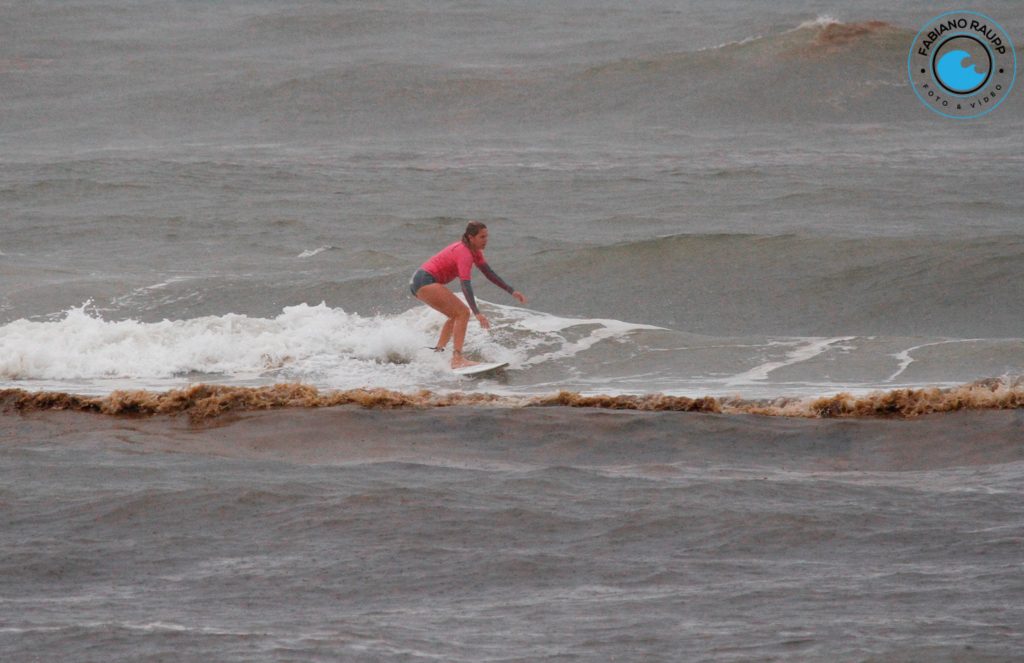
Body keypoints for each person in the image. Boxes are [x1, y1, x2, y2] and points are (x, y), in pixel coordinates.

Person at [409, 221, 527, 369]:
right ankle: (457, 359)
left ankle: (438, 352)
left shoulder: (475, 252)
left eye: (486, 236)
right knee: (463, 313)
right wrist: (477, 313)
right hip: (424, 281)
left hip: (419, 281)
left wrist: (511, 291)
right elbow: (465, 285)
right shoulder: (464, 253)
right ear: (471, 237)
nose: (486, 240)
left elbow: (489, 273)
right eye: (482, 237)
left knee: (454, 316)